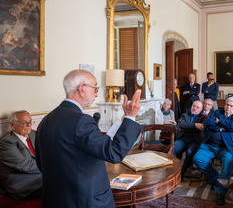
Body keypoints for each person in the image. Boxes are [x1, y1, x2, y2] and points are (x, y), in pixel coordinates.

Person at [35, 69, 143, 208]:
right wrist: (130, 116)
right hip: (85, 200)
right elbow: (114, 153)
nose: (97, 93)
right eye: (95, 88)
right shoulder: (80, 120)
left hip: (55, 199)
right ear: (82, 89)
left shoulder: (46, 120)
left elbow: (41, 163)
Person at [193, 97, 233, 205]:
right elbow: (209, 123)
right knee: (197, 158)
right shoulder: (217, 112)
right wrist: (222, 128)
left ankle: (221, 192)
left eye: (231, 106)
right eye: (227, 105)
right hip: (210, 145)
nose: (228, 107)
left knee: (228, 160)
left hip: (227, 147)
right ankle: (216, 179)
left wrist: (220, 122)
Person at [0, 110, 42, 200]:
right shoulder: (6, 143)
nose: (28, 125)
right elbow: (24, 166)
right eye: (24, 123)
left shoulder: (33, 134)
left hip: (37, 174)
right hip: (20, 181)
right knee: (58, 182)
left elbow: (46, 151)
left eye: (30, 122)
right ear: (12, 125)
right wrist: (48, 166)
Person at [175, 100, 208, 179]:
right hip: (184, 139)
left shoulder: (204, 117)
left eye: (197, 107)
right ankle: (174, 169)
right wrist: (195, 125)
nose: (194, 108)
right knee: (173, 147)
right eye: (193, 106)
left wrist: (188, 127)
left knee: (189, 151)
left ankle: (183, 171)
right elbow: (181, 125)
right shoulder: (185, 115)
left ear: (201, 109)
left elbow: (200, 129)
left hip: (195, 140)